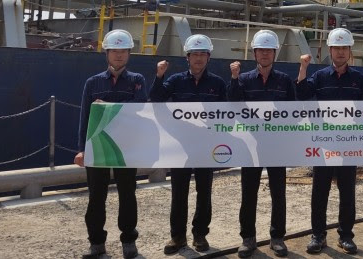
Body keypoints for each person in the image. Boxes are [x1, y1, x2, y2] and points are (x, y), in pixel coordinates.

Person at [150, 34, 227, 255]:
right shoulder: (175, 81)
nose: (199, 58)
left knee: (204, 191)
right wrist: (159, 76)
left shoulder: (218, 84)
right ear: (188, 57)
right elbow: (156, 99)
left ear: (208, 57)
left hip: (206, 145)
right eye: (195, 54)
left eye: (203, 54)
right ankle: (177, 237)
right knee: (179, 192)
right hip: (180, 146)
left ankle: (200, 234)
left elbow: (227, 113)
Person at [74, 29, 148, 259]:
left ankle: (128, 241)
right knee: (96, 196)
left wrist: (105, 105)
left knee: (128, 194)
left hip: (126, 147)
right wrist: (82, 149)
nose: (119, 55)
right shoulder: (93, 83)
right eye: (114, 50)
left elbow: (140, 108)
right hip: (97, 146)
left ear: (129, 53)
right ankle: (96, 243)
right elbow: (86, 117)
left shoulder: (137, 81)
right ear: (106, 53)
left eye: (123, 50)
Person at [297, 28, 363, 255]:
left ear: (350, 50)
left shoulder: (358, 79)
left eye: (344, 48)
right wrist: (303, 68)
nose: (340, 52)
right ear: (330, 50)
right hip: (325, 144)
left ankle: (346, 236)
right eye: (336, 48)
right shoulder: (319, 77)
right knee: (320, 191)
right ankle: (318, 235)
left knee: (347, 192)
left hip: (348, 144)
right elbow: (302, 95)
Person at [229, 29, 296, 258]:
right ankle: (248, 239)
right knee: (249, 193)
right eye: (261, 50)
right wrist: (234, 79)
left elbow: (293, 113)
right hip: (250, 145)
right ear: (255, 53)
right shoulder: (244, 79)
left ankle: (277, 238)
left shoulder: (284, 81)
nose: (265, 54)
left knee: (278, 193)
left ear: (274, 53)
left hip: (276, 146)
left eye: (269, 50)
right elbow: (233, 106)